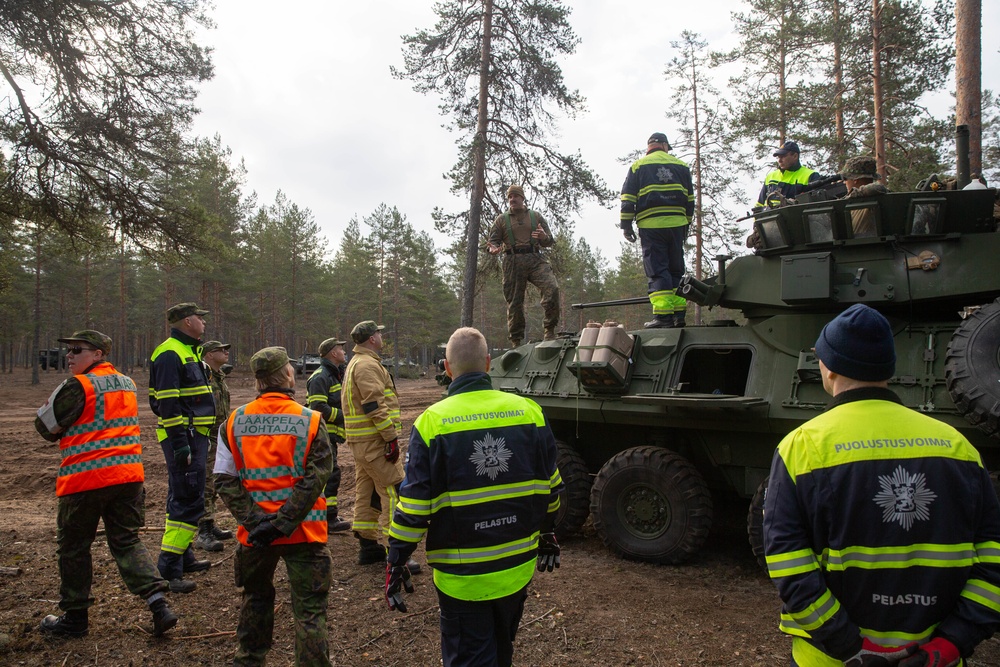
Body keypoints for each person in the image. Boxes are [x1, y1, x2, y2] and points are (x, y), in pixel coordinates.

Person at [763, 304, 1000, 667]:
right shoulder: (958, 447)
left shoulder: (802, 447)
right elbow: (993, 561)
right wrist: (952, 643)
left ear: (828, 368)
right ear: (888, 369)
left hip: (831, 659)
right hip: (936, 656)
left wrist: (851, 649)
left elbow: (789, 564)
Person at [386, 327, 564, 667]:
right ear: (488, 363)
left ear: (446, 367)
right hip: (516, 567)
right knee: (502, 648)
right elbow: (552, 487)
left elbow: (414, 507)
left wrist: (397, 558)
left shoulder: (432, 424)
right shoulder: (529, 412)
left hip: (462, 576)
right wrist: (547, 531)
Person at [34, 330, 177, 637]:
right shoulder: (127, 383)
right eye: (68, 351)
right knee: (127, 541)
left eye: (76, 350)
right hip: (128, 477)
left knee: (73, 548)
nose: (69, 355)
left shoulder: (79, 385)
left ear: (97, 354)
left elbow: (45, 427)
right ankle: (159, 605)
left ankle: (74, 619)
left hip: (85, 479)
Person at [214, 346, 333, 667]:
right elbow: (318, 475)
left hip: (255, 538)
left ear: (258, 381)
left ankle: (249, 660)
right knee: (309, 611)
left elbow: (224, 480)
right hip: (304, 533)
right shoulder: (309, 420)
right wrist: (284, 522)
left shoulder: (234, 422)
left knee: (255, 600)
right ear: (287, 375)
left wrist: (259, 524)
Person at [149, 302, 214, 592]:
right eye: (200, 318)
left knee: (184, 494)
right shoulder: (169, 353)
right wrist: (180, 445)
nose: (204, 322)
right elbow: (167, 403)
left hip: (194, 435)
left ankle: (184, 556)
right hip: (184, 437)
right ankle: (168, 567)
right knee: (188, 500)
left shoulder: (189, 351)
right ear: (188, 321)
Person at [342, 320, 407, 565]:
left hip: (363, 443)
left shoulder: (358, 363)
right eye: (379, 333)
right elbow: (373, 405)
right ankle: (396, 551)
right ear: (372, 339)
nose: (382, 336)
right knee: (392, 489)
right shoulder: (367, 365)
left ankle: (368, 545)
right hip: (374, 441)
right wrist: (390, 438)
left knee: (367, 490)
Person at [620, 132, 695, 329]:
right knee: (676, 269)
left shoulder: (638, 167)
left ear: (649, 147)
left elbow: (627, 200)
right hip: (677, 224)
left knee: (657, 270)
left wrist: (626, 226)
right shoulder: (682, 166)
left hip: (651, 225)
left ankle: (663, 317)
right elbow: (690, 201)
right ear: (664, 146)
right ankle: (679, 315)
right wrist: (685, 225)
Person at [486, 184, 560, 347]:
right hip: (512, 261)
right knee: (515, 302)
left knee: (552, 287)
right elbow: (492, 241)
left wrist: (543, 236)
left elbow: (549, 241)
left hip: (535, 259)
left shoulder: (536, 216)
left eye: (515, 196)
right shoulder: (501, 220)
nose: (512, 199)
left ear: (522, 198)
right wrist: (492, 248)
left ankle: (549, 330)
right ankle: (516, 341)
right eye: (509, 197)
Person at [193, 340, 236, 552]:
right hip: (206, 436)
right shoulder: (203, 376)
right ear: (209, 355)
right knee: (206, 482)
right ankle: (204, 530)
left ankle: (211, 523)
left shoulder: (218, 377)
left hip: (219, 434)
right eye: (220, 350)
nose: (226, 352)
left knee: (215, 480)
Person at [306, 337, 352, 532]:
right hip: (322, 434)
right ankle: (327, 517)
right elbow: (317, 408)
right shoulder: (320, 376)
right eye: (341, 349)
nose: (344, 351)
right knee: (330, 475)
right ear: (333, 353)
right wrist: (346, 416)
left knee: (332, 474)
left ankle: (328, 514)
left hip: (330, 435)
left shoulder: (335, 375)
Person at [756, 140, 821, 208]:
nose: (779, 160)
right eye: (778, 157)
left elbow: (816, 206)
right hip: (769, 218)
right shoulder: (771, 176)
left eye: (783, 156)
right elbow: (759, 204)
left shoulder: (811, 176)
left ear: (795, 156)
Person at [840, 156, 888, 238]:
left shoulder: (861, 200)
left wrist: (852, 195)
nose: (845, 182)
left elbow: (878, 187)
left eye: (845, 178)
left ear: (855, 179)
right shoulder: (879, 198)